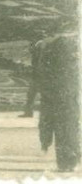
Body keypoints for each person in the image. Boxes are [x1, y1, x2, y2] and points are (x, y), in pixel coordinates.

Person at [37, 30, 80, 172]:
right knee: (70, 127)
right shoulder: (71, 63)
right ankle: (71, 158)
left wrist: (45, 140)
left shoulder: (49, 57)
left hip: (57, 97)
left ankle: (66, 160)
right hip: (68, 98)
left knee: (62, 129)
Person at [21, 34, 46, 118]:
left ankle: (29, 112)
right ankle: (29, 112)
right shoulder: (37, 44)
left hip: (39, 74)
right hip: (37, 73)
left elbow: (39, 57)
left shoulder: (40, 44)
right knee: (31, 94)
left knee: (33, 94)